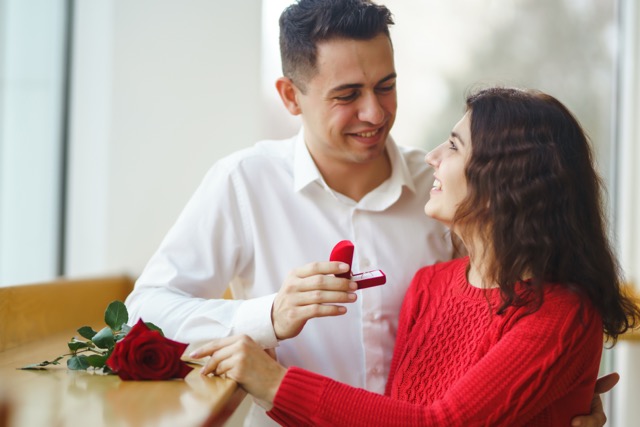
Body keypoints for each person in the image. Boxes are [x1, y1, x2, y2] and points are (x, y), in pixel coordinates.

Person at [125, 0, 613, 425]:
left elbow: (520, 303)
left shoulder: (444, 192)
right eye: (347, 95)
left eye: (385, 86)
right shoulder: (244, 182)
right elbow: (143, 311)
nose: (375, 113)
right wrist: (268, 315)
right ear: (290, 96)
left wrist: (551, 396)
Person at [191, 87, 640, 426]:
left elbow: (439, 424)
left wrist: (273, 382)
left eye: (454, 146)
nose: (432, 157)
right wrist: (269, 382)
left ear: (508, 180)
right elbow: (394, 418)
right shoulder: (431, 284)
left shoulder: (561, 314)